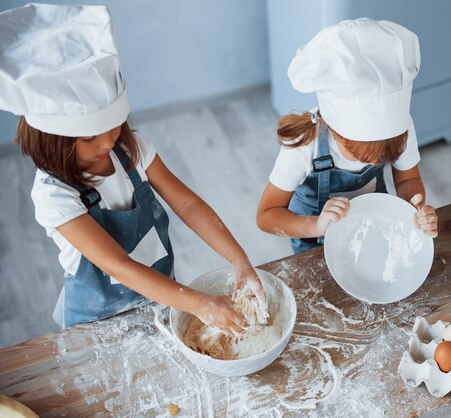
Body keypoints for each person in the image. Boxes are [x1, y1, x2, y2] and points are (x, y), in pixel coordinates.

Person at [0, 4, 264, 332]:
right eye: (89, 137)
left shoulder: (129, 150)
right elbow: (120, 267)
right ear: (53, 141)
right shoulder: (54, 196)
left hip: (164, 296)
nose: (108, 143)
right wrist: (201, 305)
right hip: (98, 326)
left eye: (114, 124)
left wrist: (238, 259)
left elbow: (189, 204)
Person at [257, 18, 438, 253]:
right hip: (313, 241)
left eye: (384, 155)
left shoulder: (401, 128)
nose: (373, 163)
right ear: (334, 130)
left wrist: (416, 211)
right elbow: (266, 216)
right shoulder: (305, 145)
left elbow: (407, 180)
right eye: (360, 154)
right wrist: (317, 225)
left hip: (373, 226)